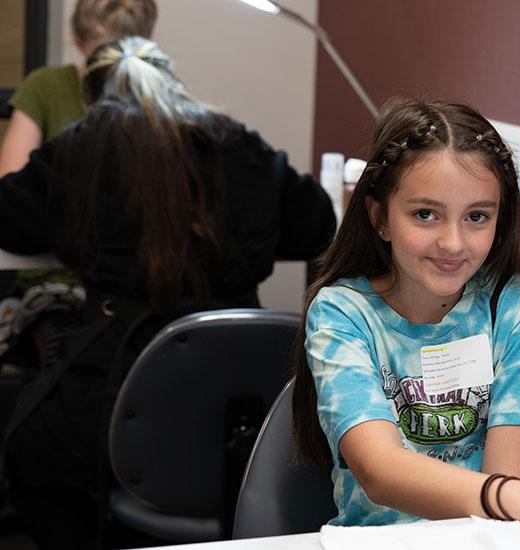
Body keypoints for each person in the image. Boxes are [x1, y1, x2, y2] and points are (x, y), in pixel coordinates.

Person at [0, 37, 335, 548]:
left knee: (23, 439)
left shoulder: (81, 148)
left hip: (119, 384)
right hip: (246, 402)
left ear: (94, 99)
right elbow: (316, 222)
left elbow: (10, 216)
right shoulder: (239, 144)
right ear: (175, 84)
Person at [292, 99, 520, 550]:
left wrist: (515, 497)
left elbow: (508, 477)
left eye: (477, 217)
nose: (453, 242)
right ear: (380, 216)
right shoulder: (343, 312)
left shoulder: (519, 306)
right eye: (425, 214)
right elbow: (380, 473)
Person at [0, 0, 157, 177]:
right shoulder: (44, 87)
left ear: (76, 39)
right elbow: (10, 182)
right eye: (101, 61)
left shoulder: (156, 96)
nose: (109, 73)